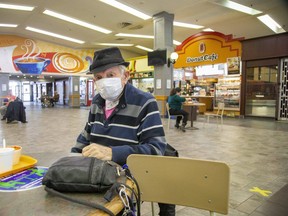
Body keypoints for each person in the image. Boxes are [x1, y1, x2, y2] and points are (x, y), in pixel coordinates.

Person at [71, 47, 175, 216]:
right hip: (97, 176)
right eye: (98, 77)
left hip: (127, 180)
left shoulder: (145, 102)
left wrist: (113, 152)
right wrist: (72, 160)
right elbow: (85, 137)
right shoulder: (97, 102)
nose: (104, 81)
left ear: (125, 76)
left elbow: (156, 149)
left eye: (110, 75)